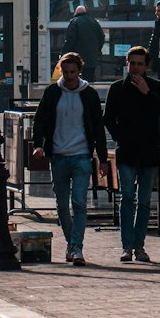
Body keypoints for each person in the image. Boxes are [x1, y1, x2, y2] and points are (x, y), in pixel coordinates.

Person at [31, 52, 108, 267]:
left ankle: (77, 246)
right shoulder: (53, 92)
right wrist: (39, 144)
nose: (69, 76)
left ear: (80, 71)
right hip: (58, 155)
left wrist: (102, 158)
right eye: (65, 72)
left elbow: (98, 127)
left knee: (79, 203)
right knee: (62, 205)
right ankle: (70, 242)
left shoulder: (89, 94)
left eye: (73, 72)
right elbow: (41, 120)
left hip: (82, 154)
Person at [104, 46, 160, 263]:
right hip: (127, 151)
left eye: (140, 64)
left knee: (143, 201)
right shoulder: (117, 89)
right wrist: (119, 137)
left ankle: (139, 245)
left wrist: (147, 93)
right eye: (132, 63)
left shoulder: (156, 87)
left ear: (147, 66)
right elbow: (107, 118)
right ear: (127, 64)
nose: (135, 68)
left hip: (149, 151)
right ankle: (126, 246)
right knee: (126, 198)